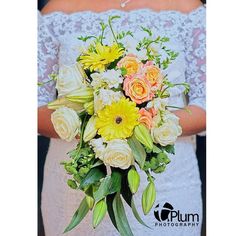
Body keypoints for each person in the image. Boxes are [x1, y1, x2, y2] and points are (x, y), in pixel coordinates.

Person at [38, 0, 206, 235]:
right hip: (78, 187)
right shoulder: (56, 11)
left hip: (167, 185)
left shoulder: (188, 8)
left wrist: (136, 124)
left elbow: (209, 105)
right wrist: (98, 123)